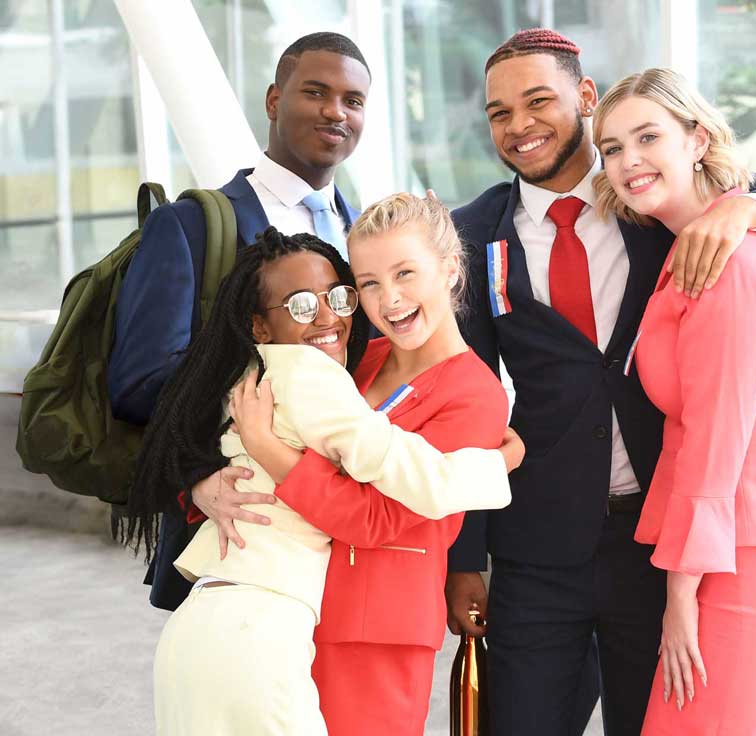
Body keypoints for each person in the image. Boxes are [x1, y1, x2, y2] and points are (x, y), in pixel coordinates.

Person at [444, 28, 756, 736]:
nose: (519, 125)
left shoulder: (658, 213)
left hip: (656, 544)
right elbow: (467, 403)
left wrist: (748, 208)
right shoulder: (473, 236)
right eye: (498, 113)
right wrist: (464, 556)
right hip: (537, 543)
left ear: (585, 99)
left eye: (538, 101)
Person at [125, 226, 519, 734]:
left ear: (449, 269)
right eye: (370, 283)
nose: (386, 299)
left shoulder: (474, 392)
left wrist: (265, 448)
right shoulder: (342, 362)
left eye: (404, 274)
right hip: (283, 617)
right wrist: (501, 463)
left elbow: (377, 517)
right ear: (259, 326)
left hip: (368, 628)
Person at [592, 67, 756, 736]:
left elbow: (714, 439)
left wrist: (679, 596)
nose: (626, 161)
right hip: (747, 551)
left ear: (696, 138)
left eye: (645, 136)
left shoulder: (725, 261)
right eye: (611, 147)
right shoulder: (696, 245)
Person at [109, 32, 372, 610]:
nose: (336, 111)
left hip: (344, 544)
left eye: (353, 101)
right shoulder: (193, 227)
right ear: (275, 101)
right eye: (316, 92)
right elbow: (138, 384)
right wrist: (206, 467)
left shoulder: (361, 236)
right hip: (234, 531)